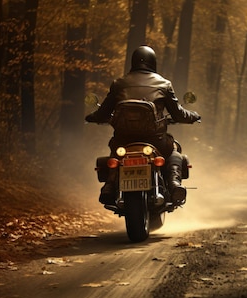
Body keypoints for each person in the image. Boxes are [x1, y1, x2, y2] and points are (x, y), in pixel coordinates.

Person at [85, 45, 201, 206]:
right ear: (153, 62)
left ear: (133, 62)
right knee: (173, 151)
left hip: (124, 140)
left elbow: (104, 111)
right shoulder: (164, 84)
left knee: (115, 153)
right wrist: (193, 116)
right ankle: (174, 184)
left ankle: (110, 185)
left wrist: (92, 117)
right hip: (155, 140)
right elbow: (178, 114)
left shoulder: (119, 83)